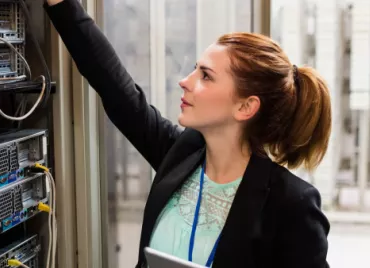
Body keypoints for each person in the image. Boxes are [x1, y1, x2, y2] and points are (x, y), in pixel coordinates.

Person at [44, 0, 331, 267]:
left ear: (245, 106)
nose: (185, 81)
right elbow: (116, 89)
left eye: (205, 76)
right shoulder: (182, 154)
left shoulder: (291, 204)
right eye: (195, 70)